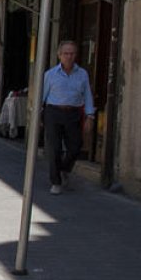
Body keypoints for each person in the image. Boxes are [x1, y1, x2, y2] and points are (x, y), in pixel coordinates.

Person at [41, 40, 95, 195]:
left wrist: (90, 116)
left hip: (73, 113)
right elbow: (42, 96)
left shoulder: (82, 74)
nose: (69, 57)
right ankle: (56, 182)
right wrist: (38, 114)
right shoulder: (50, 75)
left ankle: (64, 168)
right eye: (66, 53)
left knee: (76, 146)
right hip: (53, 112)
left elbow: (87, 96)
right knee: (54, 148)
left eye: (72, 53)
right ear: (59, 55)